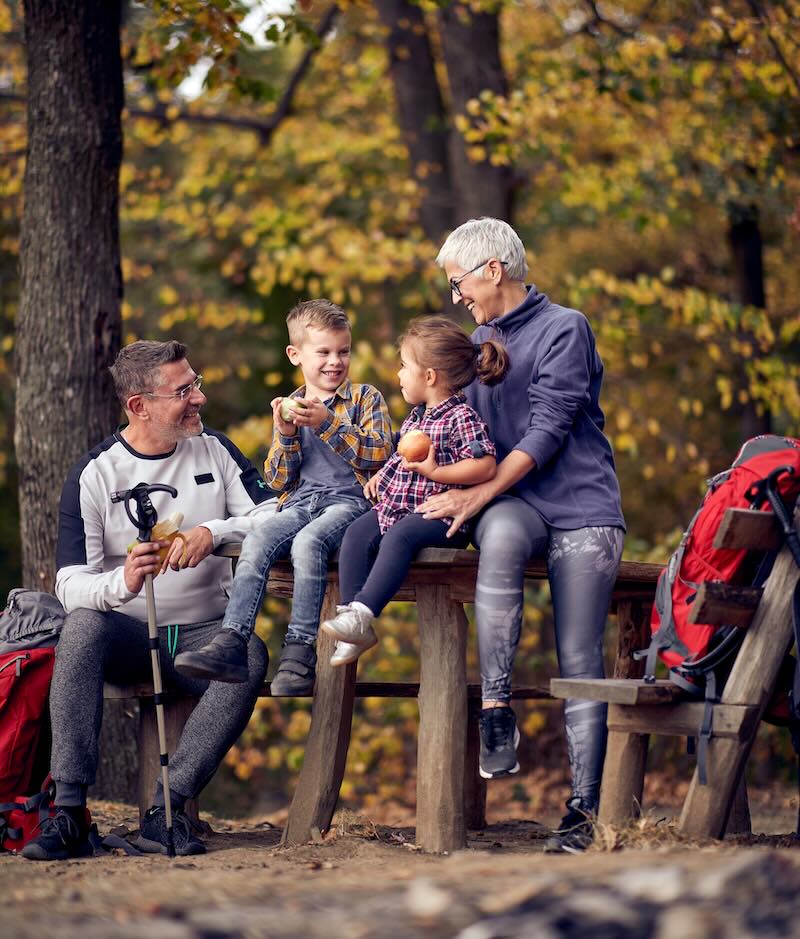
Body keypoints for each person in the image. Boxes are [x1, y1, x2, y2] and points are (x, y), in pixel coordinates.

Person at [22, 340, 274, 861]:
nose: (199, 397)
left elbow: (276, 516)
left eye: (196, 382)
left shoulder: (217, 450)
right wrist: (124, 582)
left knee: (249, 655)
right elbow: (69, 583)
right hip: (129, 634)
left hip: (205, 634)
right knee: (83, 625)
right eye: (183, 390)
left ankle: (167, 809)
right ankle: (68, 812)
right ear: (139, 405)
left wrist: (215, 531)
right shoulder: (96, 473)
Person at [422, 218, 626, 854]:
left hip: (581, 505)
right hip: (516, 504)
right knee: (502, 540)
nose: (457, 297)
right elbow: (448, 420)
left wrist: (480, 491)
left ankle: (584, 808)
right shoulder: (476, 340)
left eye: (460, 283)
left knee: (579, 654)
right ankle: (497, 710)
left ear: (493, 270)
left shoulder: (566, 328)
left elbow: (549, 428)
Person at [174, 299, 393, 693]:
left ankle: (299, 652)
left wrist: (328, 423)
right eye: (323, 352)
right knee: (257, 539)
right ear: (296, 354)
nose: (335, 361)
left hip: (348, 503)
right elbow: (278, 479)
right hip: (299, 503)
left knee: (308, 545)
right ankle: (232, 641)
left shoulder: (364, 398)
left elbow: (379, 453)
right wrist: (287, 435)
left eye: (343, 351)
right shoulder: (290, 405)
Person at [320, 316, 505, 665]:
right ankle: (351, 616)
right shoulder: (417, 417)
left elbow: (486, 465)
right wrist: (382, 477)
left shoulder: (461, 418)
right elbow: (402, 458)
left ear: (430, 376)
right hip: (400, 506)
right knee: (357, 534)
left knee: (399, 538)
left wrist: (439, 471)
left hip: (438, 517)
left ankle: (363, 613)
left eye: (404, 366)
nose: (399, 375)